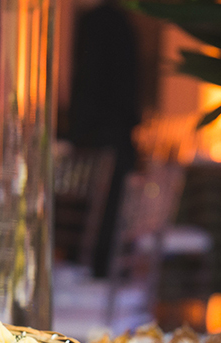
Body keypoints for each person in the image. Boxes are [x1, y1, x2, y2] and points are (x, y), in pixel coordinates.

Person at [68, 1, 141, 277]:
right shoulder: (125, 24)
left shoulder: (97, 23)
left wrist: (77, 135)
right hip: (118, 135)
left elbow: (87, 80)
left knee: (95, 216)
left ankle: (92, 272)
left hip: (99, 138)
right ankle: (102, 271)